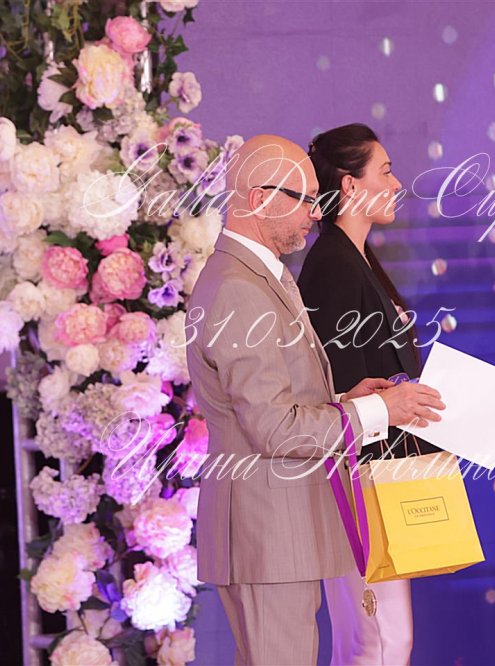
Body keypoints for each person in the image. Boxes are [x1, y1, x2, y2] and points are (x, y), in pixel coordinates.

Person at [185, 134, 445, 665]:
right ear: (260, 199)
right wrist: (376, 411)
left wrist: (344, 397)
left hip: (279, 527)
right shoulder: (238, 286)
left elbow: (277, 399)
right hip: (266, 529)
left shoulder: (260, 275)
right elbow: (273, 427)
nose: (316, 211)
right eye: (305, 199)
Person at [299, 123, 436, 665]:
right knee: (376, 641)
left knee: (382, 639)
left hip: (383, 471)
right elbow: (334, 388)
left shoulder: (355, 260)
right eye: (386, 171)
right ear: (351, 185)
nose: (398, 183)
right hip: (357, 474)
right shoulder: (333, 264)